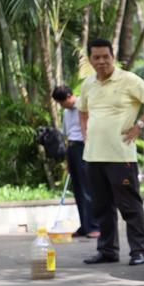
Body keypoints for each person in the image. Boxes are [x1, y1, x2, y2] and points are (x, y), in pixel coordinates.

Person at [78, 38, 144, 266]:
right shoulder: (87, 84)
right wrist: (86, 134)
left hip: (121, 156)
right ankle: (107, 250)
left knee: (130, 206)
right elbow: (82, 111)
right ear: (91, 60)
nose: (101, 61)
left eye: (106, 56)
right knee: (101, 207)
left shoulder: (128, 80)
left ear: (112, 57)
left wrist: (140, 125)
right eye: (96, 57)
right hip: (93, 157)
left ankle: (139, 251)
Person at [51, 85, 100, 238]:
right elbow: (67, 133)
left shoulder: (84, 106)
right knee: (78, 190)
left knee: (88, 189)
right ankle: (85, 226)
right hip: (72, 148)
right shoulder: (66, 112)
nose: (61, 106)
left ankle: (95, 226)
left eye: (61, 102)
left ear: (69, 96)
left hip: (84, 148)